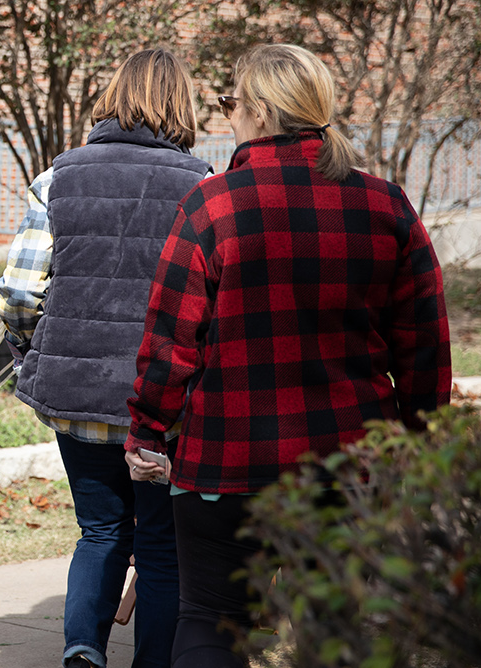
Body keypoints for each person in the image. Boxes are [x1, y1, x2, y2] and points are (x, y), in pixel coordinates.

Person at [123, 43, 451, 667]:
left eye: (231, 104)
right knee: (333, 626)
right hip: (349, 464)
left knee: (210, 620)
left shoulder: (212, 205)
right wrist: (416, 448)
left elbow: (170, 344)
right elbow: (426, 348)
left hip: (224, 463)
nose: (227, 117)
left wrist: (148, 430)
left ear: (262, 113)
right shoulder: (386, 206)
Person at [0, 49, 212, 668]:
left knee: (99, 532)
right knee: (162, 547)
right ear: (180, 106)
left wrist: (32, 353)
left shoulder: (57, 177)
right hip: (163, 408)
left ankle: (84, 651)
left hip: (76, 397)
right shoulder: (202, 186)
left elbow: (18, 290)